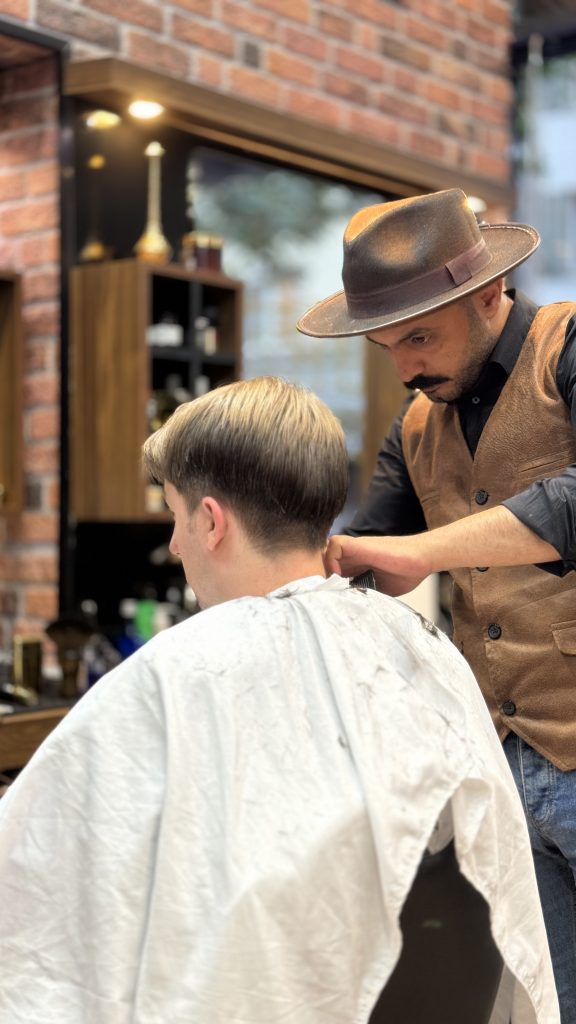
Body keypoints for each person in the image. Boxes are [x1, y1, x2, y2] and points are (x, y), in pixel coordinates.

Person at [0, 376, 559, 1023]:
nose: (175, 546)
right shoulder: (419, 650)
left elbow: (34, 882)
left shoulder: (170, 678)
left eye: (177, 518)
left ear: (211, 522)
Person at [297, 187, 576, 1023]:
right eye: (388, 346)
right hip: (503, 761)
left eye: (420, 336)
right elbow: (362, 553)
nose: (406, 365)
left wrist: (419, 552)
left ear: (490, 291)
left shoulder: (567, 348)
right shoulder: (415, 427)